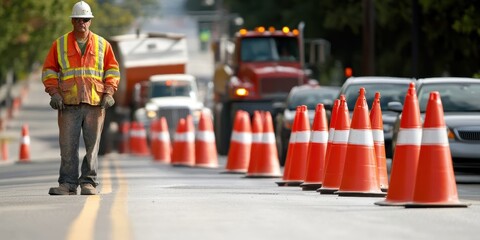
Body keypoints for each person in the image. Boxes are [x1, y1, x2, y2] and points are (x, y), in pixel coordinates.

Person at [42, 1, 120, 195]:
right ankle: (67, 184)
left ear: (90, 21)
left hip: (95, 103)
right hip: (68, 104)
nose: (82, 23)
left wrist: (109, 92)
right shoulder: (59, 44)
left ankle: (88, 183)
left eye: (85, 19)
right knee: (67, 146)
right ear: (72, 21)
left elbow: (112, 70)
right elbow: (49, 70)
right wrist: (54, 93)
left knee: (92, 147)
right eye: (78, 19)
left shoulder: (103, 44)